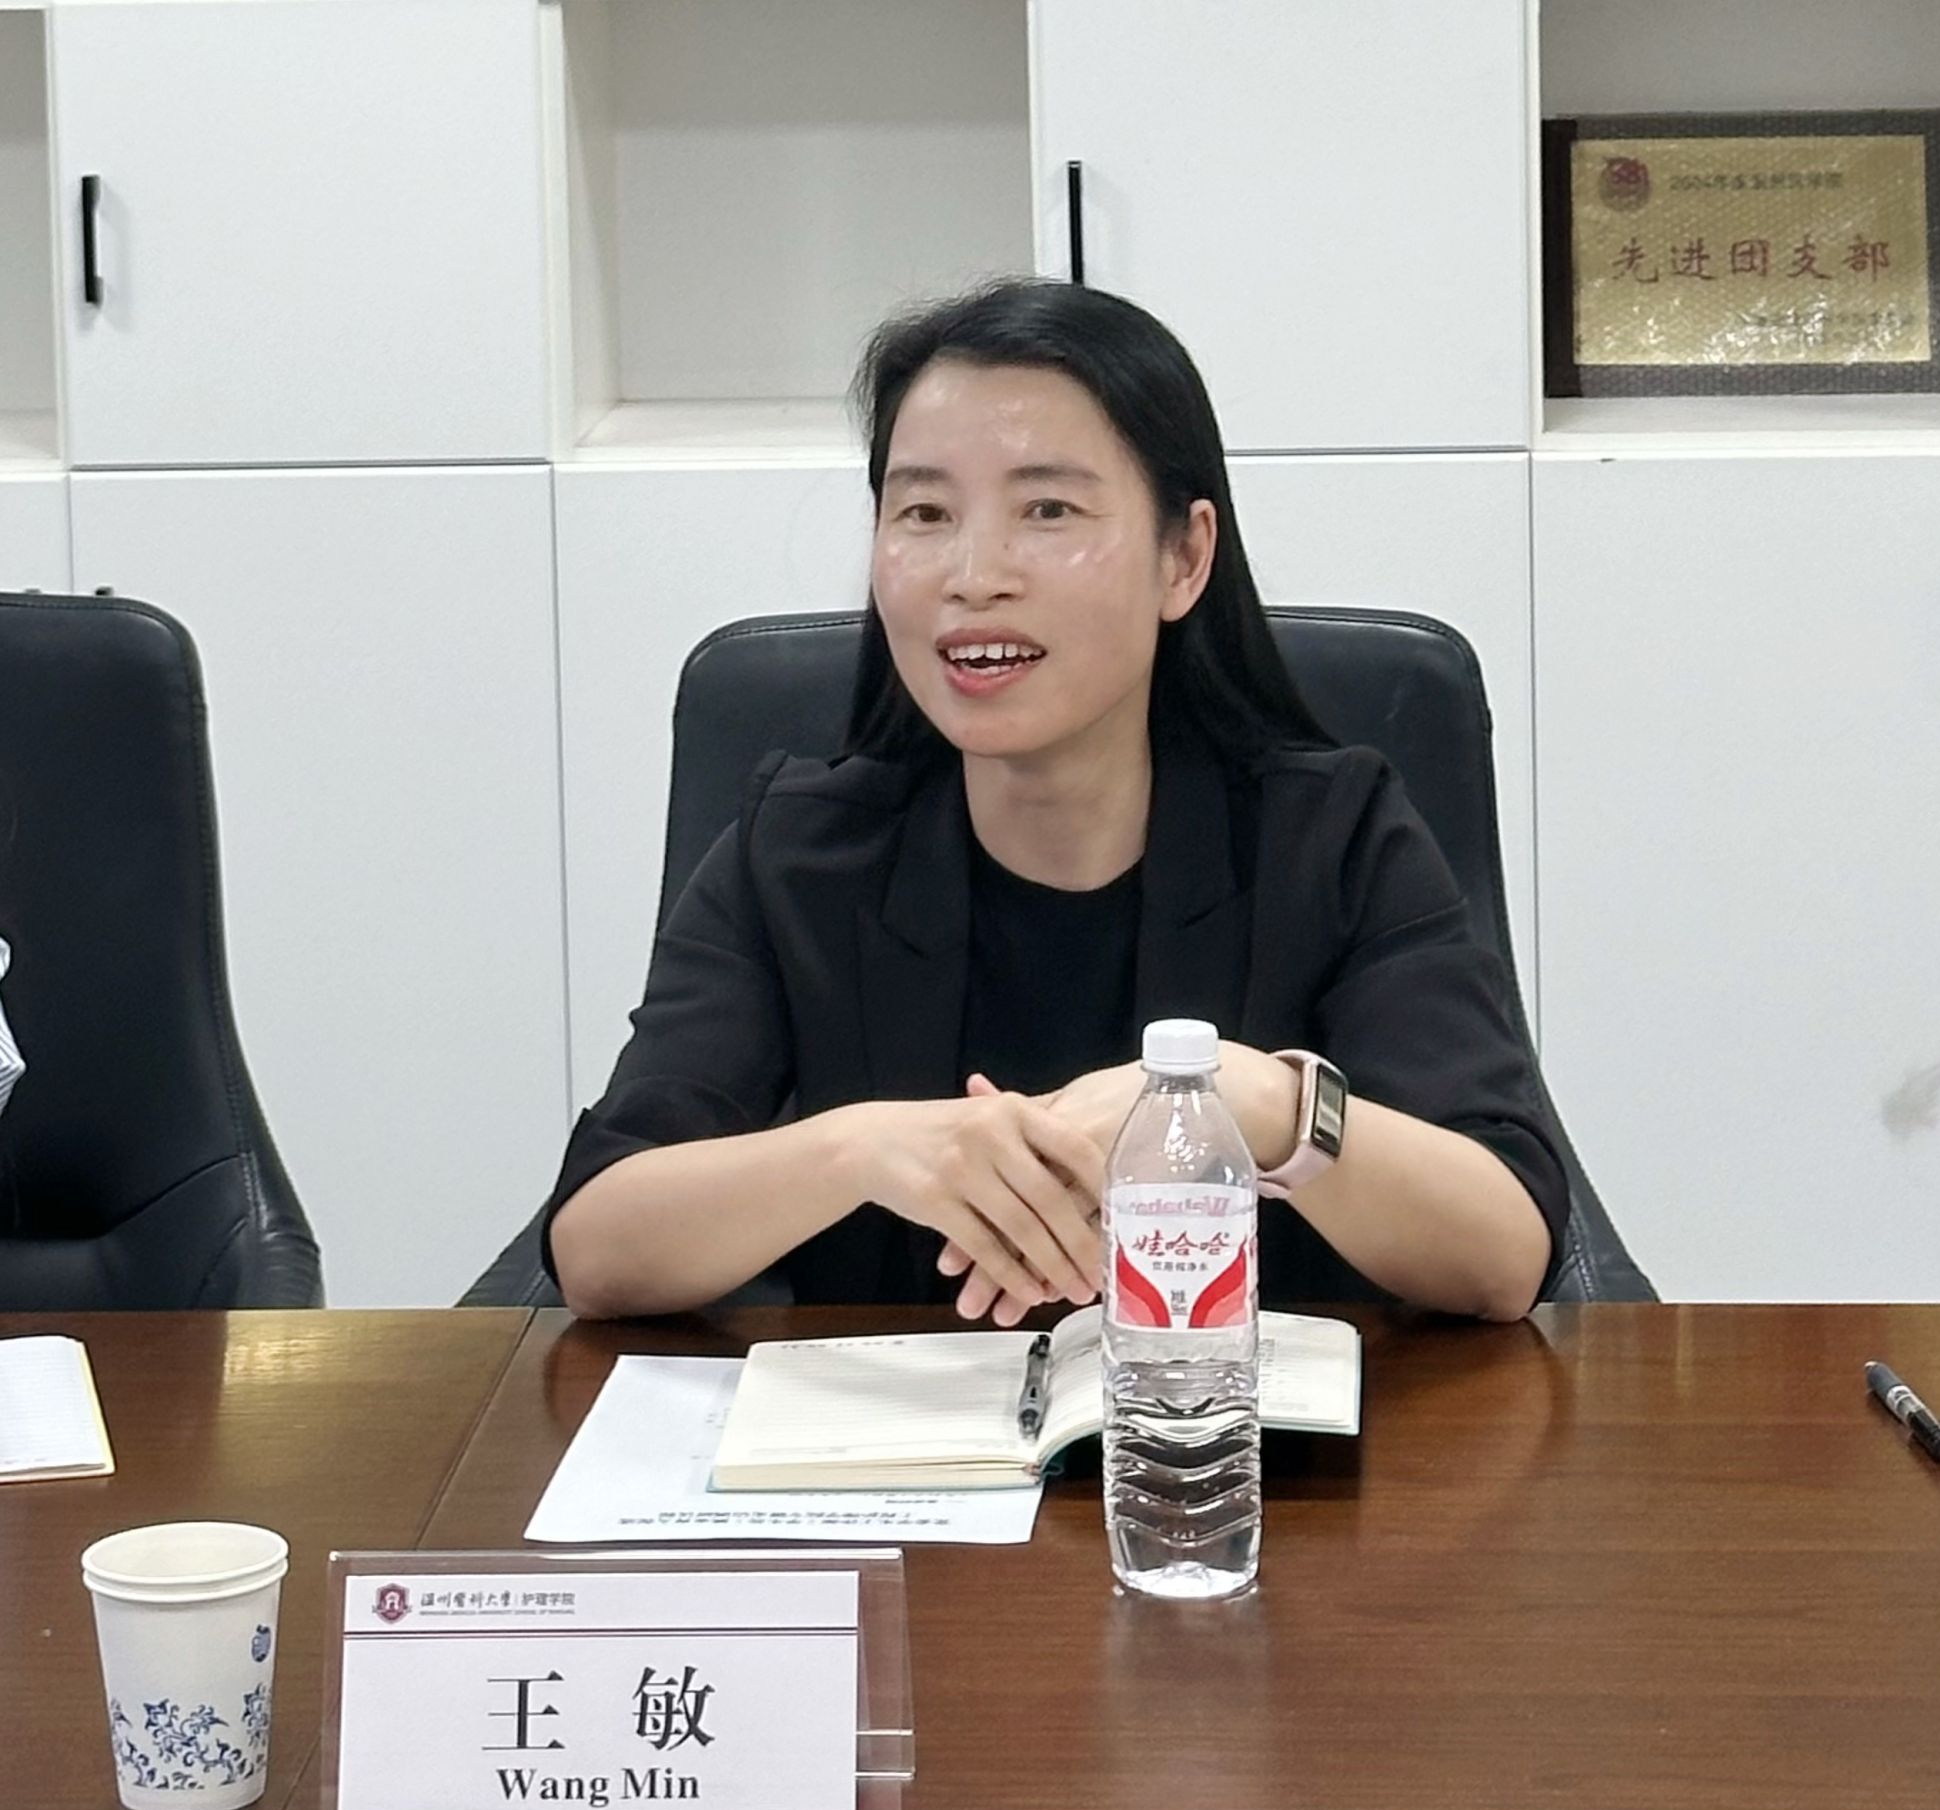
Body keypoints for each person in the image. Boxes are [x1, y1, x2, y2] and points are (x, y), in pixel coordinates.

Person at [547, 278, 1565, 1327]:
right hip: (901, 1427)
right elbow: (598, 1244)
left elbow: (1503, 1248)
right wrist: (862, 1147)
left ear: (1184, 557)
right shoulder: (797, 851)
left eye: (1047, 510)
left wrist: (1247, 1097)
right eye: (924, 512)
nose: (973, 574)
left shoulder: (1331, 838)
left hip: (1238, 1426)